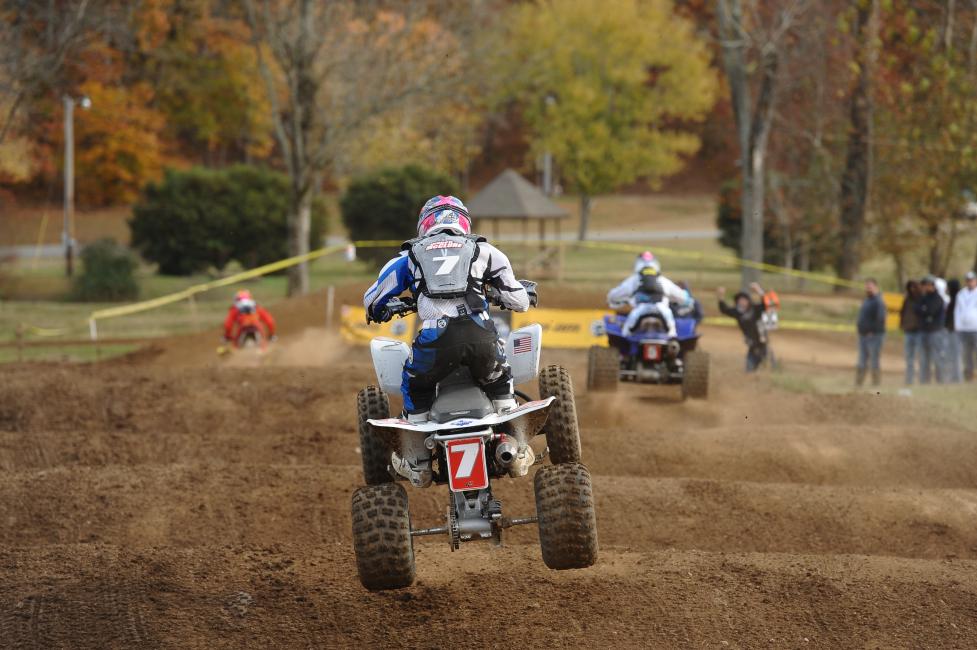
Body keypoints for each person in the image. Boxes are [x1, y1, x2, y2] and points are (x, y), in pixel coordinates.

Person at [364, 195, 534, 424]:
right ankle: (512, 437)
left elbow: (372, 299)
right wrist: (502, 295)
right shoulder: (484, 250)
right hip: (480, 335)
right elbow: (520, 301)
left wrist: (380, 311)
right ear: (464, 221)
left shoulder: (409, 256)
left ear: (425, 223)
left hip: (435, 339)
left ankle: (417, 452)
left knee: (414, 386)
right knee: (501, 382)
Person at [607, 251, 689, 338]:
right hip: (663, 311)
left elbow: (614, 295)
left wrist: (612, 298)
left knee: (625, 335)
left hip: (639, 312)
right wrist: (686, 298)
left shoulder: (634, 280)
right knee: (672, 334)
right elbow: (682, 297)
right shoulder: (663, 280)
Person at [717, 282, 768, 372]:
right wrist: (720, 296)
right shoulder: (737, 312)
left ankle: (767, 366)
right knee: (751, 361)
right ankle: (750, 370)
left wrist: (758, 290)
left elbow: (765, 304)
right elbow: (724, 309)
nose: (742, 302)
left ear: (748, 300)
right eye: (740, 300)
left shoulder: (755, 309)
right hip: (750, 340)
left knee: (765, 357)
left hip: (761, 337)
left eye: (744, 300)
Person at [855, 278, 887, 386]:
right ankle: (859, 383)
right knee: (862, 359)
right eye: (867, 286)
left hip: (875, 335)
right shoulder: (867, 300)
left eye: (870, 286)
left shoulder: (878, 301)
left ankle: (876, 384)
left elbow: (881, 318)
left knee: (874, 359)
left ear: (876, 287)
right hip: (863, 334)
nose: (868, 288)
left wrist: (872, 331)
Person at [915, 276, 946, 384]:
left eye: (928, 285)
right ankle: (924, 380)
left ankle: (940, 380)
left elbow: (931, 311)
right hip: (924, 330)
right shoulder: (923, 298)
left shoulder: (938, 298)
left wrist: (924, 310)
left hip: (935, 331)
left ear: (933, 286)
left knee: (937, 356)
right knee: (924, 358)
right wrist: (924, 311)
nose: (925, 287)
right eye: (924, 285)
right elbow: (917, 309)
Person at [954, 271, 977, 381]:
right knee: (967, 353)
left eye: (971, 280)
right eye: (968, 281)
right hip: (964, 329)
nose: (970, 283)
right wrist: (958, 326)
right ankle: (969, 375)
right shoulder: (961, 294)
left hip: (975, 327)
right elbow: (957, 311)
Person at [899, 280, 922, 384]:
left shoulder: (921, 299)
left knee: (920, 356)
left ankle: (921, 378)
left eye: (914, 287)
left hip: (918, 331)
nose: (912, 289)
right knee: (909, 357)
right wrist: (902, 324)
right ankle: (909, 379)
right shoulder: (907, 299)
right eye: (910, 287)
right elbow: (902, 312)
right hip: (908, 331)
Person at [945, 278, 962, 383]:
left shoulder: (958, 299)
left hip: (956, 331)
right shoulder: (952, 299)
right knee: (951, 354)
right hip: (951, 329)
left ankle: (957, 377)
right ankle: (953, 376)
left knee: (955, 354)